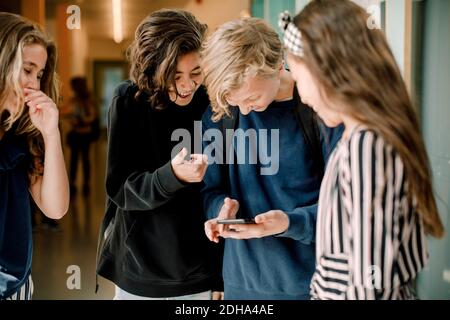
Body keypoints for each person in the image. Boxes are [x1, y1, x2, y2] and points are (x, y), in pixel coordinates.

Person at [281, 0, 445, 299]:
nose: (301, 95)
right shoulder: (365, 139)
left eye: (298, 74)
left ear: (327, 71)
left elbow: (371, 277)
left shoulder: (366, 148)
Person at [200, 17, 342, 299]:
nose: (244, 109)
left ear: (277, 66)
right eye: (234, 101)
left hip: (311, 284)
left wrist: (289, 222)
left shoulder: (320, 112)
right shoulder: (222, 113)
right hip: (241, 283)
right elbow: (210, 189)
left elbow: (343, 208)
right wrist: (220, 211)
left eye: (251, 97)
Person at [96, 9, 223, 300]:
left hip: (198, 273)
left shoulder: (211, 102)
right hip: (138, 270)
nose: (187, 85)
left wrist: (220, 276)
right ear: (153, 70)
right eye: (174, 76)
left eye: (196, 72)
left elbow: (222, 191)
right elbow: (120, 189)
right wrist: (172, 176)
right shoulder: (128, 100)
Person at [0, 13, 69, 300]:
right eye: (27, 70)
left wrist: (51, 134)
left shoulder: (24, 135)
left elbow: (55, 209)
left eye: (39, 75)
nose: (34, 84)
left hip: (16, 287)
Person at [62, 76, 98, 196]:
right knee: (74, 160)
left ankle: (85, 184)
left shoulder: (88, 100)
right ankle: (73, 183)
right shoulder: (74, 100)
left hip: (84, 134)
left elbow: (92, 116)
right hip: (77, 134)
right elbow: (67, 113)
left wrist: (80, 120)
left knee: (85, 160)